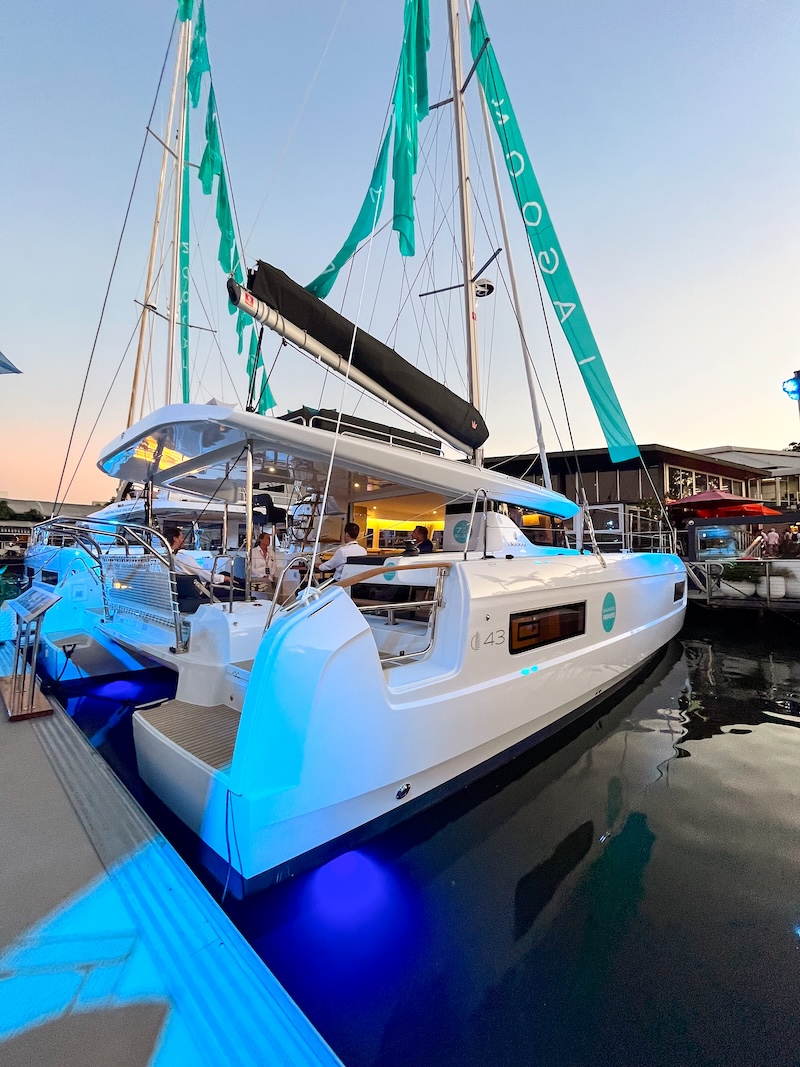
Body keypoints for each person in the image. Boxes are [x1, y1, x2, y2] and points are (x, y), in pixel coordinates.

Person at [165, 526, 229, 586]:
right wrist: (224, 578)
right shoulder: (183, 559)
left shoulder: (165, 559)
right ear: (175, 539)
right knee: (228, 578)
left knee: (223, 573)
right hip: (198, 589)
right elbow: (203, 574)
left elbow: (202, 574)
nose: (185, 540)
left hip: (182, 588)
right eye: (182, 537)